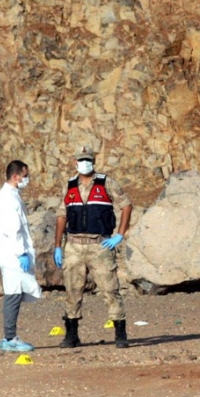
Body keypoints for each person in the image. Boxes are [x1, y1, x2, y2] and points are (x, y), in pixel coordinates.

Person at [53, 145, 133, 349]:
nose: (84, 163)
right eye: (80, 160)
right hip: (74, 245)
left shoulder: (106, 183)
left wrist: (119, 235)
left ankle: (120, 333)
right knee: (72, 291)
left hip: (100, 244)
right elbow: (62, 215)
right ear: (74, 162)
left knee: (110, 288)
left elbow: (126, 205)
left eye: (87, 159)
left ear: (94, 161)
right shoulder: (70, 186)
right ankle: (71, 335)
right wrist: (58, 246)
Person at [0, 160, 42, 352]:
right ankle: (10, 337)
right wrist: (21, 253)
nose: (26, 179)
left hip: (11, 252)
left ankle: (9, 335)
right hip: (13, 254)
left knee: (16, 292)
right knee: (13, 294)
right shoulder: (8, 199)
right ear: (16, 176)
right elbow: (12, 229)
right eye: (25, 176)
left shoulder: (10, 195)